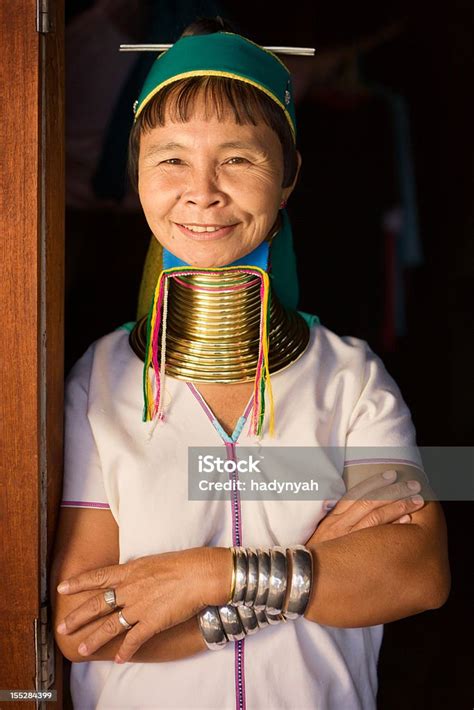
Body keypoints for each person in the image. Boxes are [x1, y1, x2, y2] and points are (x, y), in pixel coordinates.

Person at [50, 17, 450, 710]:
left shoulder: (350, 381)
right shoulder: (100, 383)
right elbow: (88, 629)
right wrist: (311, 568)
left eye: (239, 158)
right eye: (170, 157)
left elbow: (417, 572)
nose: (202, 190)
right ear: (137, 175)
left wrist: (209, 576)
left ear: (289, 177)